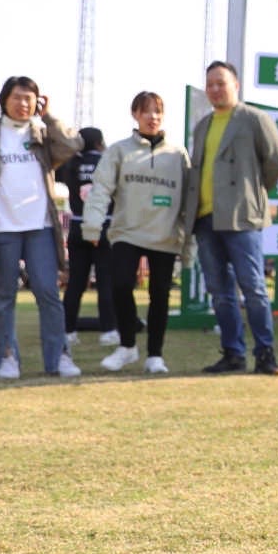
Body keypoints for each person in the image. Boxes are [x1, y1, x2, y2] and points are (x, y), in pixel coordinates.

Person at [0, 75, 84, 379]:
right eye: (17, 97)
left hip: (39, 226)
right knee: (4, 296)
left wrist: (49, 116)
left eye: (30, 98)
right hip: (0, 228)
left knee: (47, 291)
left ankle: (60, 357)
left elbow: (72, 145)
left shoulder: (42, 135)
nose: (23, 103)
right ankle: (6, 357)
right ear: (4, 99)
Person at [183, 61, 278, 376]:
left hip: (243, 217)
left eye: (221, 83)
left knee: (253, 286)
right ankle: (232, 352)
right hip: (205, 218)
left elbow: (276, 163)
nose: (215, 89)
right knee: (219, 290)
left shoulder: (254, 119)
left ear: (236, 85)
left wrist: (252, 195)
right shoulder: (202, 125)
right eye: (210, 84)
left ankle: (265, 353)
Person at [81, 91, 193, 374]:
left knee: (160, 295)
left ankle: (155, 354)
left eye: (157, 111)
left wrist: (188, 241)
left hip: (165, 235)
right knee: (120, 285)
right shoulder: (118, 150)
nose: (152, 117)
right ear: (135, 114)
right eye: (146, 111)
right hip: (126, 232)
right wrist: (92, 225)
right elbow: (101, 189)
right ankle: (127, 346)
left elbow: (188, 199)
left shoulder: (177, 154)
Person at [57, 126, 119, 349]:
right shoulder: (108, 162)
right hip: (104, 224)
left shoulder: (71, 164)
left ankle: (68, 330)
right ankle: (109, 330)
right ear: (101, 142)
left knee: (75, 282)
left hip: (77, 226)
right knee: (105, 281)